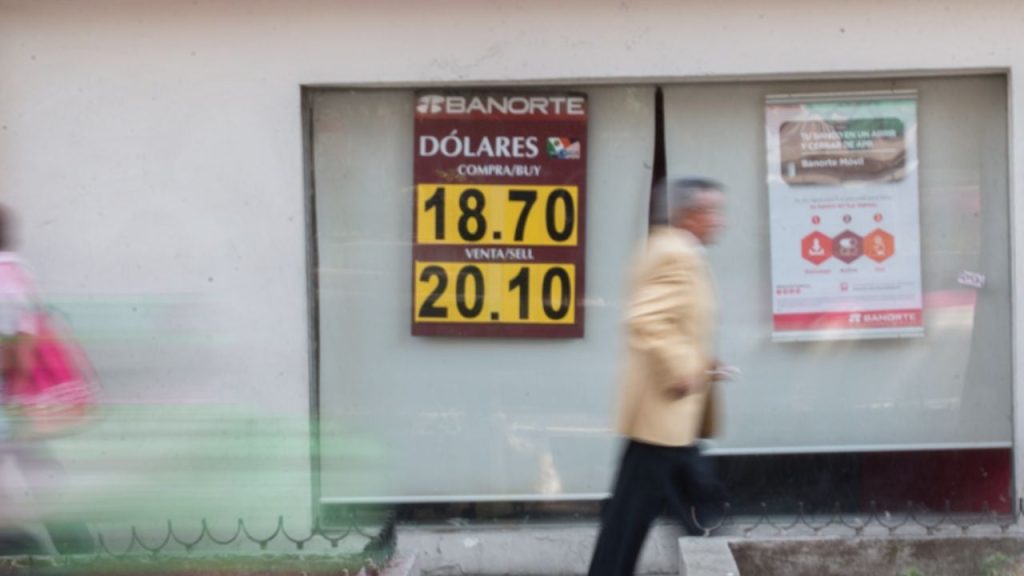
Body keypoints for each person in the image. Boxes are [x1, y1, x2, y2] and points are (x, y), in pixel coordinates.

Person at [588, 177, 729, 575]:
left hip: (666, 421)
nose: (719, 221)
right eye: (712, 212)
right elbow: (645, 319)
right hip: (663, 417)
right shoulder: (675, 253)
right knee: (686, 508)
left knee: (633, 521)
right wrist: (683, 370)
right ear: (691, 215)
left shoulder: (676, 250)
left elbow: (674, 322)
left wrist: (702, 362)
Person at [0, 204, 94, 555]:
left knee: (39, 475)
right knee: (40, 475)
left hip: (13, 400)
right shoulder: (17, 272)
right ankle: (73, 549)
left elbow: (18, 351)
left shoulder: (2, 279)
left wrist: (15, 394)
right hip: (19, 402)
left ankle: (24, 547)